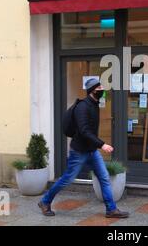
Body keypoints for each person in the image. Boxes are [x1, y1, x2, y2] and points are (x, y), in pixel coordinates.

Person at [38, 78, 129, 218]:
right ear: (92, 90)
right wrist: (102, 144)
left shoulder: (94, 104)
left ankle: (111, 209)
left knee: (104, 177)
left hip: (91, 151)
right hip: (79, 151)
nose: (102, 90)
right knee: (67, 179)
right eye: (100, 88)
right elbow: (84, 131)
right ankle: (45, 201)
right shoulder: (83, 107)